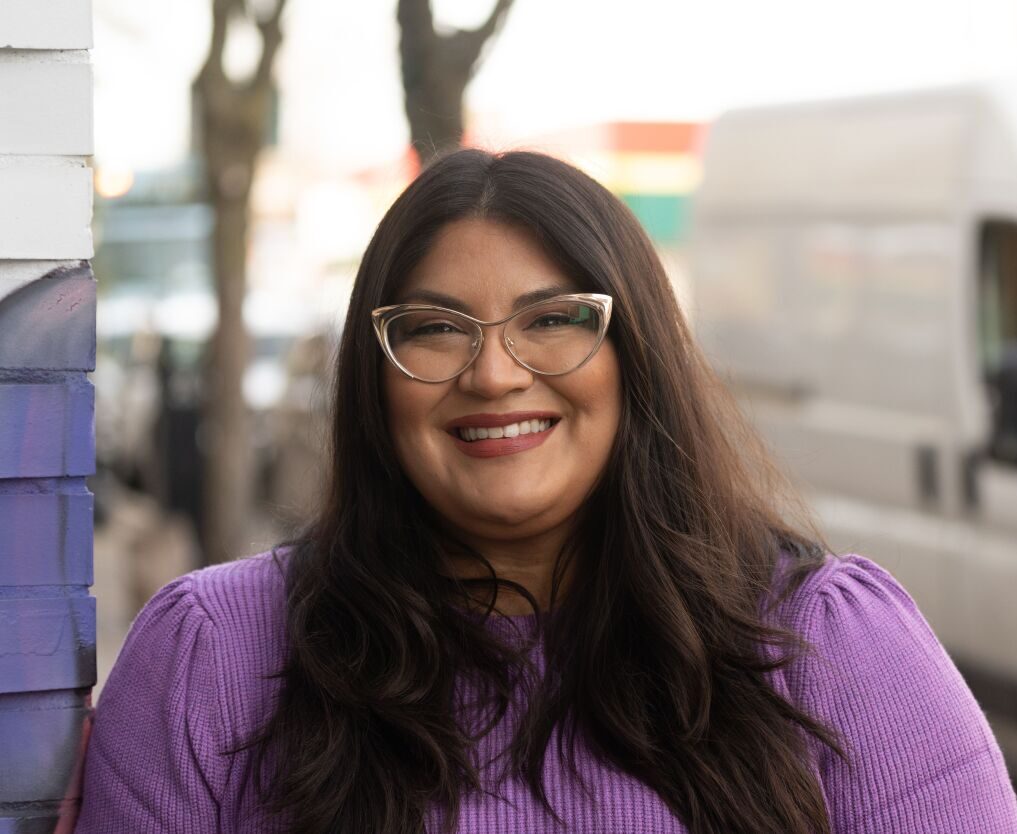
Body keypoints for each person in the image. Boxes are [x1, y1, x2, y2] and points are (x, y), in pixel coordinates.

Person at [73, 149, 1017, 834]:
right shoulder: (213, 658)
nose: (493, 374)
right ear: (373, 375)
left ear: (637, 354)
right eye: (435, 327)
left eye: (554, 320)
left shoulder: (832, 647)